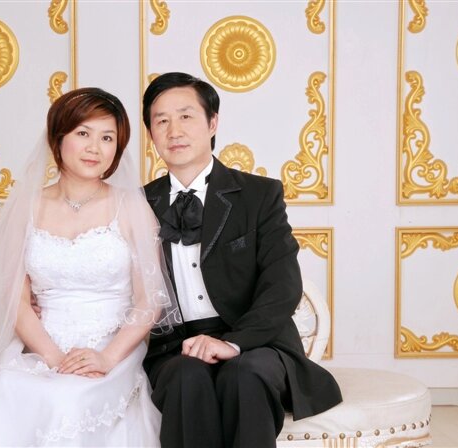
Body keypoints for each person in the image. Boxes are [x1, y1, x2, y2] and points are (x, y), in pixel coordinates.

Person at [0, 88, 181, 447]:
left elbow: (149, 300)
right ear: (58, 137)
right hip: (43, 346)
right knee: (8, 385)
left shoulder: (130, 206)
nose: (95, 148)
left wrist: (107, 357)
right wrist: (52, 357)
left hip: (113, 347)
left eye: (107, 138)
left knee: (69, 399)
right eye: (83, 133)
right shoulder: (27, 207)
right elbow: (16, 300)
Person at [140, 72, 343, 448]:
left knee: (245, 373)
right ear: (151, 133)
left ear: (212, 122)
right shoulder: (137, 204)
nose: (174, 130)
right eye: (161, 120)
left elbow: (282, 285)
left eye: (186, 116)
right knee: (185, 377)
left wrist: (233, 343)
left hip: (256, 341)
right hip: (176, 348)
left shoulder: (259, 195)